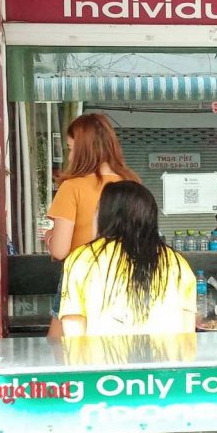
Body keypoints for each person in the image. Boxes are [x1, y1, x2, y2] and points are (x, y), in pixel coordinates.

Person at [45, 113, 140, 337]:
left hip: (80, 278)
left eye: (71, 148)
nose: (70, 156)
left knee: (58, 347)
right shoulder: (131, 183)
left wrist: (49, 237)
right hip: (125, 277)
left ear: (84, 149)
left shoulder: (72, 187)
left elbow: (59, 251)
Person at [59, 181, 197, 336]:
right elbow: (187, 333)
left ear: (107, 216)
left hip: (102, 352)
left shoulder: (82, 259)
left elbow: (74, 328)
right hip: (166, 352)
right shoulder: (177, 262)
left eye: (97, 210)